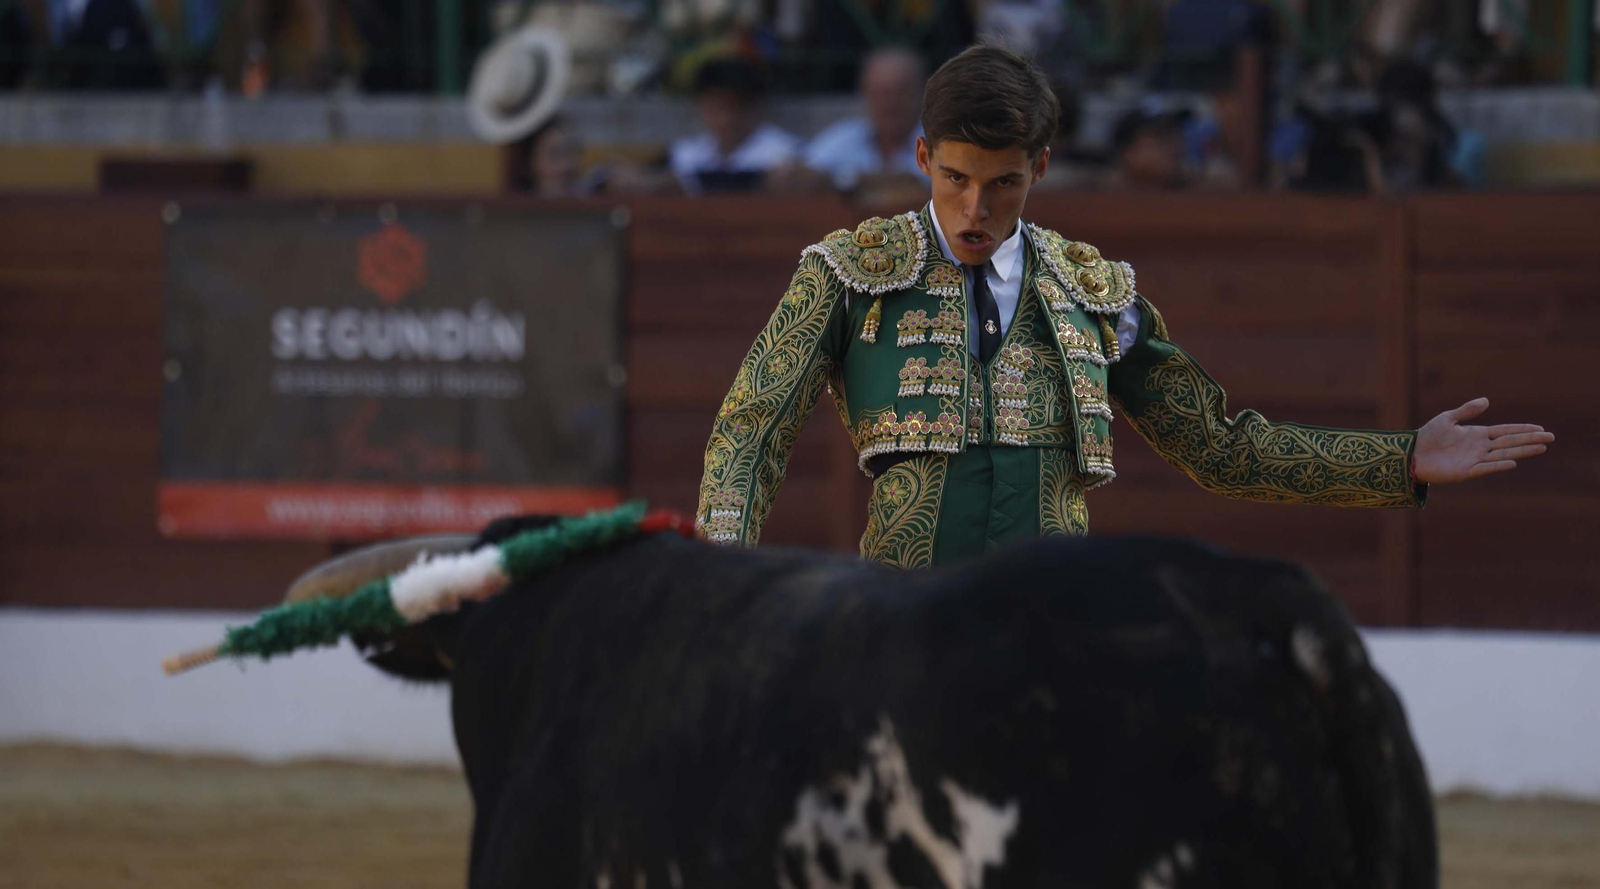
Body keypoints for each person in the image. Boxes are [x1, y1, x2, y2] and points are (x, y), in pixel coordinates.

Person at [696, 44, 1553, 567]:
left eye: (1002, 184)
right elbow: (750, 431)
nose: (974, 211)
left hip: (1059, 638)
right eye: (954, 180)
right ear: (922, 155)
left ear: (1042, 164)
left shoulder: (1095, 294)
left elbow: (1221, 448)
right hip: (901, 636)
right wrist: (715, 576)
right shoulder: (848, 274)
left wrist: (1398, 460)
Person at [797, 46, 930, 194]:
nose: (890, 103)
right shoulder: (846, 135)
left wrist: (841, 179)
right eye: (880, 94)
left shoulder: (939, 142)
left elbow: (913, 182)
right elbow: (800, 174)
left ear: (922, 94)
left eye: (900, 93)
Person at [668, 54, 800, 195]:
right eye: (716, 107)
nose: (725, 119)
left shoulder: (784, 152)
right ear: (701, 106)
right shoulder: (686, 153)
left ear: (752, 106)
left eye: (733, 107)